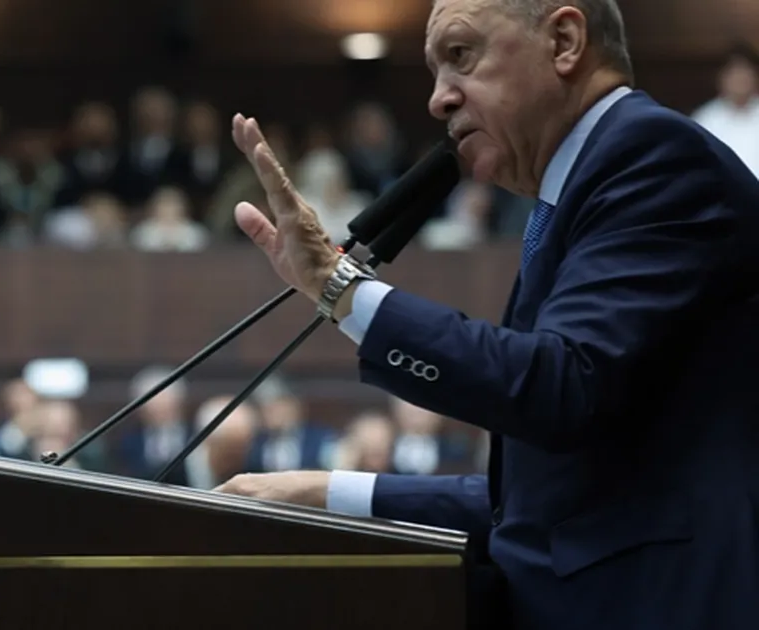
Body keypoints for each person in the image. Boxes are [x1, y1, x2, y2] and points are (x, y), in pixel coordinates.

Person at [213, 1, 759, 629]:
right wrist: (329, 493)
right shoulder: (581, 189)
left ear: (564, 40)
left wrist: (340, 289)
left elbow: (559, 386)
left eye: (461, 55)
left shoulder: (652, 156)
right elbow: (539, 503)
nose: (438, 99)